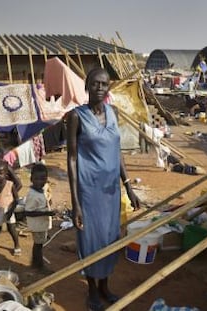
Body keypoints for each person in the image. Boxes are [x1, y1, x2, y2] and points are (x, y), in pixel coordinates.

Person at [66, 68, 140, 311]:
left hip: (111, 191)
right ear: (87, 86)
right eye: (95, 83)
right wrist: (75, 202)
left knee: (109, 238)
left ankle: (105, 286)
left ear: (109, 87)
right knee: (90, 238)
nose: (100, 88)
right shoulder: (76, 116)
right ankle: (92, 290)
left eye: (104, 84)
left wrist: (128, 186)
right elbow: (72, 159)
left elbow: (117, 152)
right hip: (89, 191)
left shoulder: (114, 112)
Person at [22, 163, 55, 270]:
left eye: (43, 179)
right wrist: (46, 213)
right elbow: (28, 212)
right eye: (37, 179)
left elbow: (46, 197)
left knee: (39, 244)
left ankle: (36, 263)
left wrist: (49, 200)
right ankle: (38, 265)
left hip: (42, 224)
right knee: (38, 245)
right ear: (31, 179)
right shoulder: (32, 195)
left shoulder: (42, 189)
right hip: (37, 225)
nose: (40, 182)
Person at [0, 161, 21, 256]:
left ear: (6, 173)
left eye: (1, 173)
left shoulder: (10, 185)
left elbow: (16, 199)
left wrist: (10, 211)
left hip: (9, 209)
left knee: (12, 229)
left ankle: (17, 245)